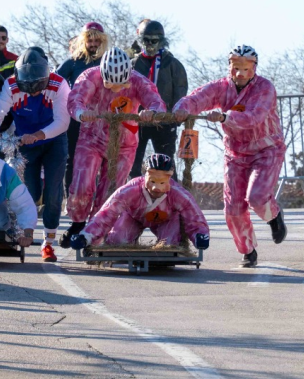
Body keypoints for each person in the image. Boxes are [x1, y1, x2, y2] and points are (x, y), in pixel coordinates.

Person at [173, 46, 287, 267]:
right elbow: (197, 98)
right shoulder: (221, 87)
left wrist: (225, 117)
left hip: (266, 149)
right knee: (233, 208)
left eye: (245, 69)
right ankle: (248, 250)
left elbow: (254, 117)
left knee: (257, 197)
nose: (240, 74)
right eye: (235, 68)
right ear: (230, 67)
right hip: (235, 153)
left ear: (254, 68)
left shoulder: (265, 88)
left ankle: (274, 216)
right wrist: (181, 108)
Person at [61, 47, 166, 247]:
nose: (116, 88)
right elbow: (75, 99)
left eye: (122, 84)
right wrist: (81, 112)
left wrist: (151, 112)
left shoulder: (139, 81)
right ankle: (77, 222)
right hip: (91, 138)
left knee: (110, 191)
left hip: (124, 145)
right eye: (110, 84)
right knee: (82, 184)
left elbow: (157, 102)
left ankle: (95, 231)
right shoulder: (89, 77)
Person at [0, 47, 69, 261]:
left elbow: (63, 121)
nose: (32, 90)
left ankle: (48, 242)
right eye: (28, 85)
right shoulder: (11, 85)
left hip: (53, 140)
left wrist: (40, 135)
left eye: (37, 85)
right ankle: (22, 232)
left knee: (52, 193)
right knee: (29, 191)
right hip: (25, 142)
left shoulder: (59, 84)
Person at [70, 154, 210, 251]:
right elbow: (107, 213)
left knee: (170, 245)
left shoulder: (178, 194)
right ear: (145, 176)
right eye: (153, 181)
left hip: (166, 220)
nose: (157, 188)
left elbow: (193, 216)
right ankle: (126, 240)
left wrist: (200, 235)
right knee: (118, 242)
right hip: (133, 217)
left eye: (162, 182)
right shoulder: (129, 191)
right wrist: (86, 236)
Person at [129, 19, 188, 178]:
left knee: (166, 166)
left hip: (164, 121)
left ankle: (171, 200)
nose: (150, 44)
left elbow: (181, 93)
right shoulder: (132, 64)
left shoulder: (173, 65)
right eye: (146, 40)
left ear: (161, 41)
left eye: (154, 41)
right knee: (131, 166)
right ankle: (132, 199)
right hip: (137, 122)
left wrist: (175, 117)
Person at [57, 21, 108, 195]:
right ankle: (70, 194)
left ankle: (94, 195)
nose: (93, 45)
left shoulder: (106, 62)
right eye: (90, 41)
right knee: (71, 157)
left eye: (97, 41)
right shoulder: (73, 62)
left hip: (100, 117)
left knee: (98, 158)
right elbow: (56, 82)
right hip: (75, 116)